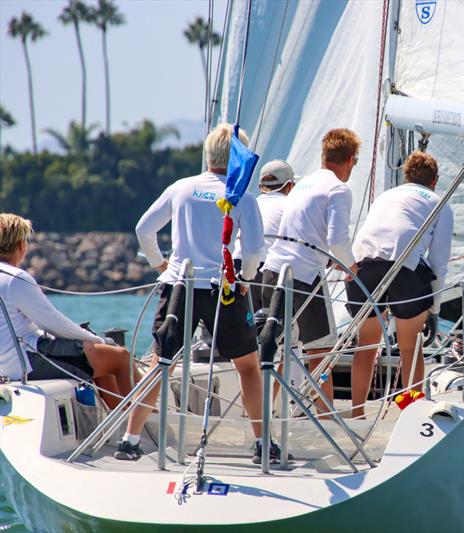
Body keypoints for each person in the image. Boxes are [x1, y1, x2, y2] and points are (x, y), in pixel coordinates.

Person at [115, 123, 269, 463]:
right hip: (224, 290)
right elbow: (255, 249)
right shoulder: (242, 196)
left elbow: (143, 229)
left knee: (160, 365)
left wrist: (160, 265)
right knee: (247, 367)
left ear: (209, 154)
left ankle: (129, 440)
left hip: (179, 287)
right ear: (239, 160)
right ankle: (262, 443)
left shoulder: (181, 188)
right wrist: (245, 279)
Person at [346, 151, 453, 418]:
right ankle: (411, 415)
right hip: (404, 271)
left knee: (367, 344)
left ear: (406, 176)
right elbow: (439, 263)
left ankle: (357, 414)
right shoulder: (441, 203)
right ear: (434, 180)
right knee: (410, 348)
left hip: (363, 267)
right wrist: (435, 311)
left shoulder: (386, 196)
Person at [262, 128, 360, 414]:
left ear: (324, 155)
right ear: (351, 160)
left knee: (277, 349)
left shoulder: (302, 184)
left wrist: (329, 259)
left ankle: (258, 415)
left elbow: (302, 231)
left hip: (272, 273)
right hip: (302, 279)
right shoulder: (338, 189)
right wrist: (351, 268)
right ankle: (327, 420)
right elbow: (338, 241)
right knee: (322, 352)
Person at [0, 213, 136, 408]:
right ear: (21, 245)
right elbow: (52, 323)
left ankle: (121, 420)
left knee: (101, 359)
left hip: (5, 365)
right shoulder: (15, 279)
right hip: (26, 362)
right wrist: (92, 339)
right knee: (120, 357)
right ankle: (139, 428)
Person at [232, 159, 296, 307]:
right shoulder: (291, 206)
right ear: (289, 186)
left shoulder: (249, 203)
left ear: (261, 187)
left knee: (245, 322)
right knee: (272, 325)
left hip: (238, 265)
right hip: (269, 271)